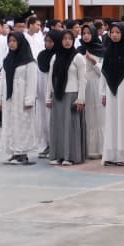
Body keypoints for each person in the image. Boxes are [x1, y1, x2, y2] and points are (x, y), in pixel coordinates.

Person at [100, 22, 124, 167]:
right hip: (111, 92)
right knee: (112, 122)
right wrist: (103, 93)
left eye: (118, 32)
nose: (115, 35)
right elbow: (104, 73)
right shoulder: (108, 50)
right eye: (112, 32)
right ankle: (111, 155)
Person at [0, 31, 40, 165]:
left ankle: (22, 154)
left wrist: (29, 100)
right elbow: (3, 81)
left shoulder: (29, 62)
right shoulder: (7, 60)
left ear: (20, 42)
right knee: (11, 124)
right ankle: (14, 152)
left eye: (14, 41)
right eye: (9, 41)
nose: (11, 44)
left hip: (22, 98)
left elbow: (32, 82)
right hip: (9, 99)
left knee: (23, 124)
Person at [45, 30, 86, 166]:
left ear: (73, 41)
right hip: (58, 95)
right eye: (64, 39)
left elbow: (82, 79)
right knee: (58, 126)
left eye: (70, 39)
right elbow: (51, 78)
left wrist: (81, 99)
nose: (67, 41)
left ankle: (70, 156)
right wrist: (48, 97)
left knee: (70, 127)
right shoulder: (55, 57)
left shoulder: (78, 57)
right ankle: (59, 155)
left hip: (72, 95)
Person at [79, 26, 106, 160]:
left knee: (99, 116)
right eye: (84, 33)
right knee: (88, 117)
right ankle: (89, 149)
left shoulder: (101, 50)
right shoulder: (79, 50)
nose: (86, 36)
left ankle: (101, 148)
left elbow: (104, 71)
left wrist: (93, 61)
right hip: (83, 85)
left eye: (89, 33)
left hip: (96, 84)